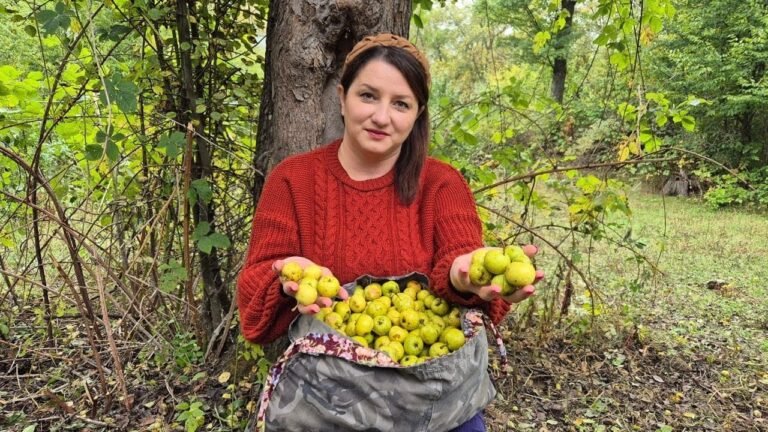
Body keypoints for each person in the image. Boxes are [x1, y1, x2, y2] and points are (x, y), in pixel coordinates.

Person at [237, 33, 541, 432]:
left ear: (418, 113)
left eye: (401, 103)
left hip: (432, 405)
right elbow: (254, 308)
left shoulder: (442, 184)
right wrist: (282, 277)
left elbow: (463, 260)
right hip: (330, 404)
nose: (382, 117)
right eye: (368, 96)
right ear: (342, 97)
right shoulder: (293, 181)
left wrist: (464, 277)